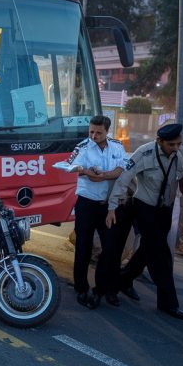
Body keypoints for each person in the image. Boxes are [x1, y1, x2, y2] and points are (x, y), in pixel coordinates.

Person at [106, 123, 183, 319]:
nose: (176, 148)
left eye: (179, 143)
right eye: (171, 145)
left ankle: (124, 279)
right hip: (144, 207)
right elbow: (124, 179)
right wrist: (112, 207)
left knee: (147, 250)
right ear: (159, 141)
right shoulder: (144, 154)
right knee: (161, 255)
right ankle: (168, 303)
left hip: (165, 209)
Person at [62, 115, 126, 309]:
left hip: (109, 206)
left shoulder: (117, 146)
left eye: (99, 132)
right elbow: (70, 166)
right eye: (91, 131)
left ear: (108, 131)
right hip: (87, 204)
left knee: (110, 249)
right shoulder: (82, 146)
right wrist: (89, 173)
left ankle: (100, 290)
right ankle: (81, 288)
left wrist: (103, 175)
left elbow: (121, 169)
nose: (94, 135)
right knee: (83, 247)